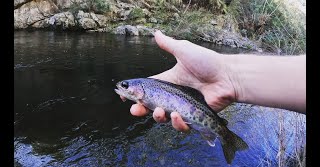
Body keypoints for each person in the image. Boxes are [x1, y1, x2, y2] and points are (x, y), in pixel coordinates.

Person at [120, 30, 306, 132]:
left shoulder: (146, 87)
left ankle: (224, 135)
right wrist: (231, 79)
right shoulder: (144, 91)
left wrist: (230, 77)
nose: (123, 88)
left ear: (139, 87)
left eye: (126, 86)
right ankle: (219, 133)